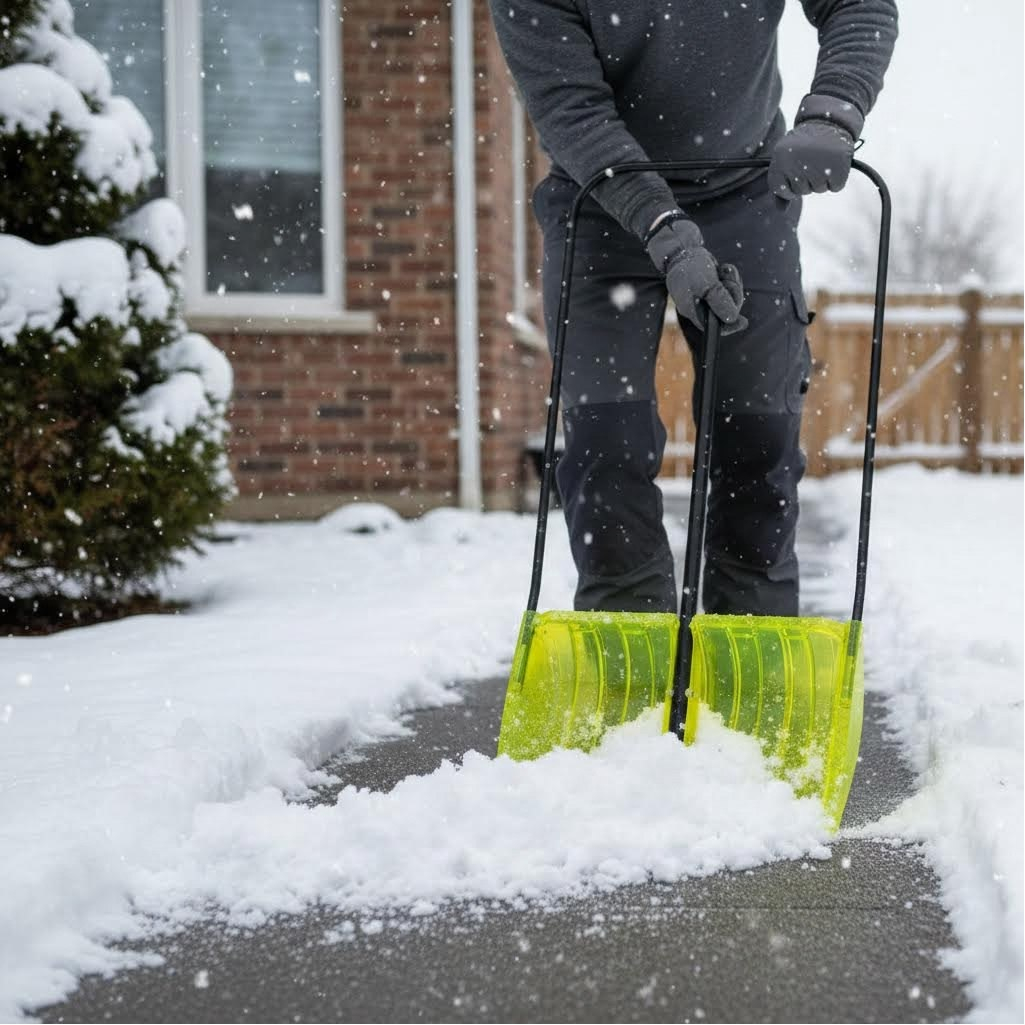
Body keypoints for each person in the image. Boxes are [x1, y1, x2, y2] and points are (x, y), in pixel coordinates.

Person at [491, 0, 898, 616]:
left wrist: (833, 113)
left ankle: (751, 645)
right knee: (607, 448)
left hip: (745, 198)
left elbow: (858, 5)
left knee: (758, 443)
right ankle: (628, 654)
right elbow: (571, 110)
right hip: (600, 204)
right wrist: (666, 229)